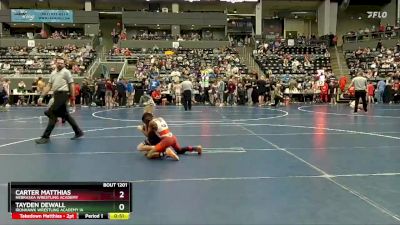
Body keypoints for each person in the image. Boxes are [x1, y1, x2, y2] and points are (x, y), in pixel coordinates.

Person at [35, 57, 84, 144]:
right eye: (58, 63)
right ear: (55, 63)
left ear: (64, 64)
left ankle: (45, 136)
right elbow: (48, 86)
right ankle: (78, 132)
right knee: (66, 116)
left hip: (63, 94)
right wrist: (42, 96)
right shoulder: (53, 73)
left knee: (52, 113)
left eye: (62, 63)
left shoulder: (66, 72)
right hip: (56, 95)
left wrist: (73, 98)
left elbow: (71, 84)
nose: (60, 64)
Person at [137, 108, 202, 161]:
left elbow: (148, 135)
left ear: (146, 121)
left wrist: (141, 129)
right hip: (172, 137)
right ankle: (196, 148)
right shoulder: (160, 118)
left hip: (166, 140)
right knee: (179, 150)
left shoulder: (151, 123)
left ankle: (165, 153)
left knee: (149, 155)